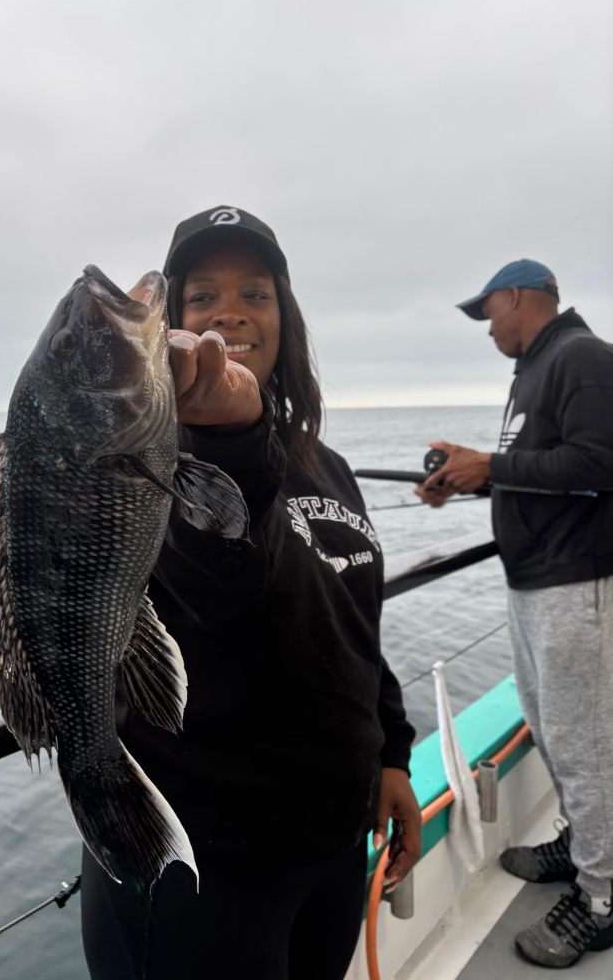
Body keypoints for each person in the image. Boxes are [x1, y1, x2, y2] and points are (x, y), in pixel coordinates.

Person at [81, 205, 422, 980]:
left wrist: (391, 756)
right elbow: (215, 588)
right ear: (171, 322)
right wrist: (225, 439)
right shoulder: (139, 469)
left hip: (331, 844)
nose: (230, 310)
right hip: (201, 867)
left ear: (284, 317)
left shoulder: (324, 462)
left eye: (255, 293)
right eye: (202, 295)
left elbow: (352, 624)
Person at [417, 259, 613, 969]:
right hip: (534, 581)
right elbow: (541, 474)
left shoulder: (582, 358)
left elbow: (598, 464)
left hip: (576, 582)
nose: (488, 325)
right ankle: (579, 843)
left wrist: (490, 470)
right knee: (557, 731)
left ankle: (604, 896)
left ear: (522, 297)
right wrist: (466, 478)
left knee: (587, 744)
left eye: (490, 311)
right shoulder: (532, 371)